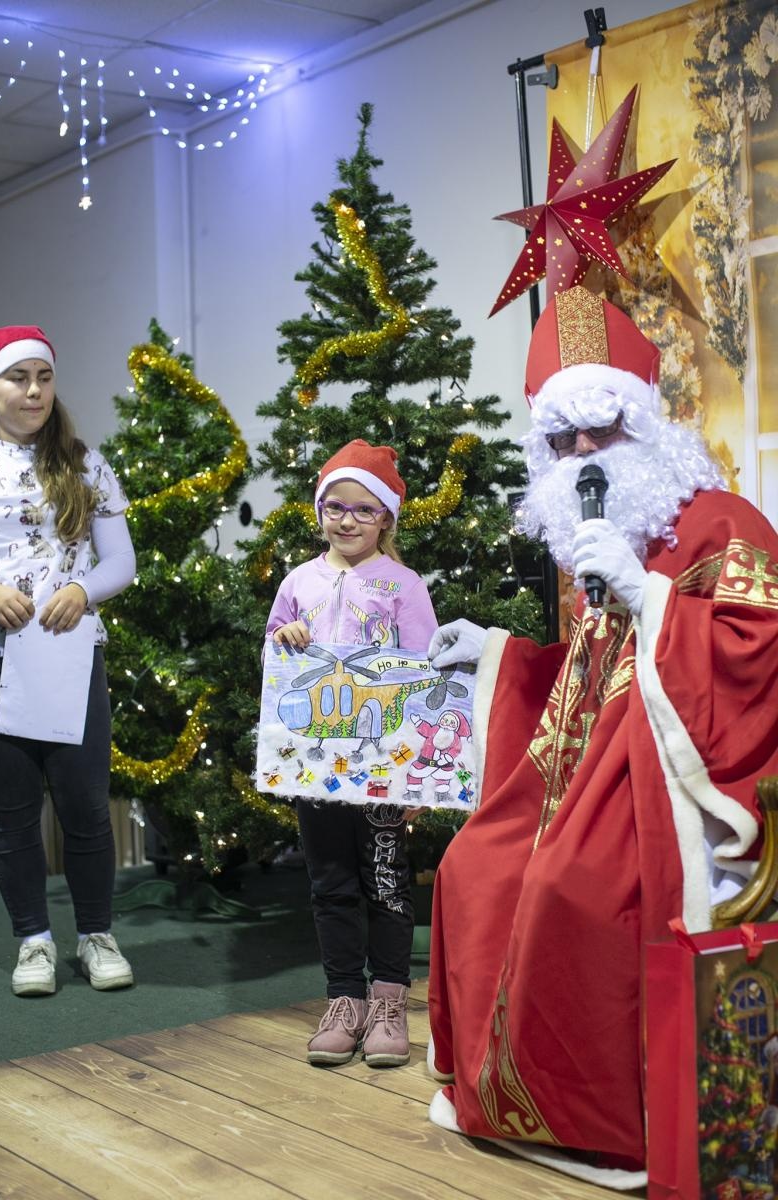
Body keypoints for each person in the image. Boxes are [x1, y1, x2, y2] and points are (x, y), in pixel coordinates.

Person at [424, 286, 778, 1187]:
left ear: (648, 424)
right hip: (582, 768)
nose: (583, 455)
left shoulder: (720, 525)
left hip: (668, 777)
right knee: (475, 864)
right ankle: (505, 1095)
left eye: (602, 431)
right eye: (561, 440)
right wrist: (497, 656)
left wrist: (650, 595)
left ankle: (608, 1123)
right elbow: (583, 676)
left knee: (565, 887)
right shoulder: (594, 536)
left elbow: (757, 651)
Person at [266, 438, 437, 1067]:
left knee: (387, 884)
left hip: (383, 768)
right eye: (335, 506)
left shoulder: (404, 585)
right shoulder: (298, 582)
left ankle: (389, 1000)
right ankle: (345, 1000)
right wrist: (282, 636)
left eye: (364, 510)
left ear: (386, 518)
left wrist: (416, 777)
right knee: (330, 883)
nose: (347, 520)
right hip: (316, 769)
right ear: (319, 511)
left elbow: (426, 676)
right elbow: (274, 665)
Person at [0, 325, 137, 997]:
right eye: (18, 379)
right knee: (12, 812)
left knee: (84, 806)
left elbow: (122, 562)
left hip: (71, 660)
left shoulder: (81, 460)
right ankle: (33, 942)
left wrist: (81, 589)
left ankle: (96, 935)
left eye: (43, 377)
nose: (34, 391)